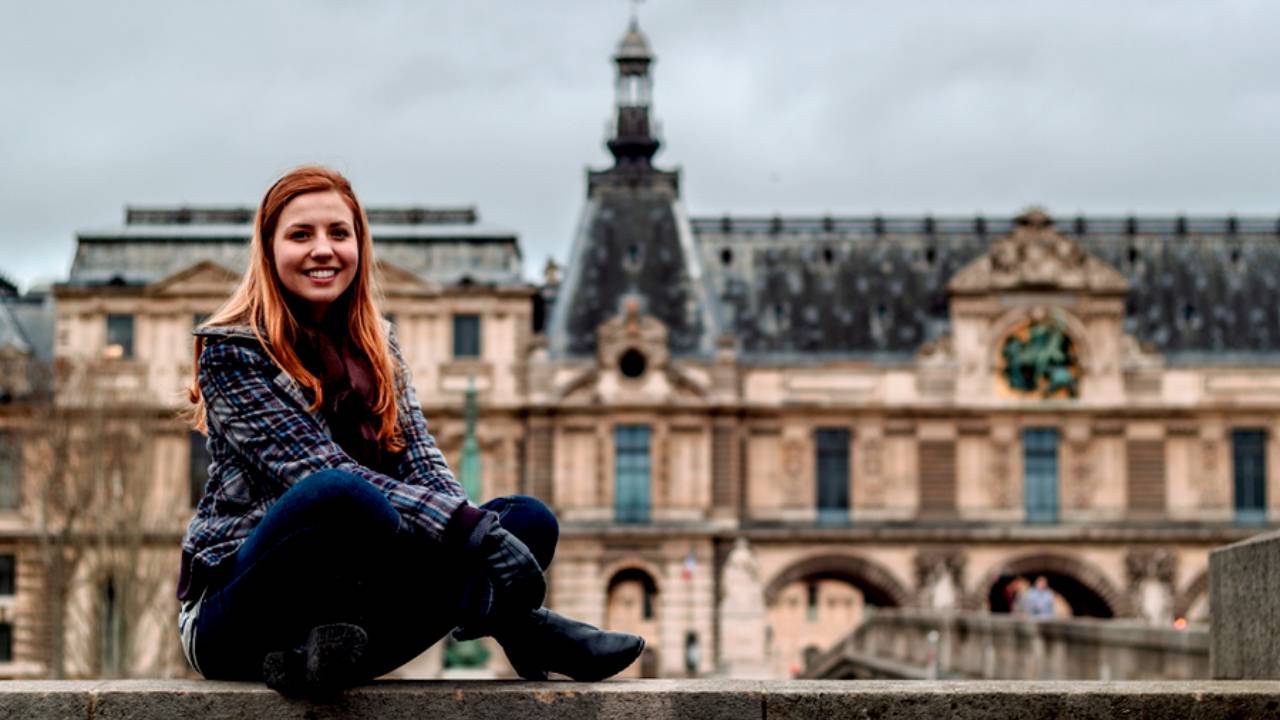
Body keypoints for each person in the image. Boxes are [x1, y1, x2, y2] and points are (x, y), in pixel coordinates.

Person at [177, 165, 644, 695]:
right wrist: (468, 533)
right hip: (237, 615)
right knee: (343, 496)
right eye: (300, 235)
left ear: (360, 244)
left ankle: (316, 659)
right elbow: (316, 469)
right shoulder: (231, 351)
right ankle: (520, 625)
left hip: (353, 621)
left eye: (338, 233)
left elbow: (420, 461)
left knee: (528, 521)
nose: (323, 249)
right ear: (268, 249)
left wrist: (478, 531)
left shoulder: (379, 345)